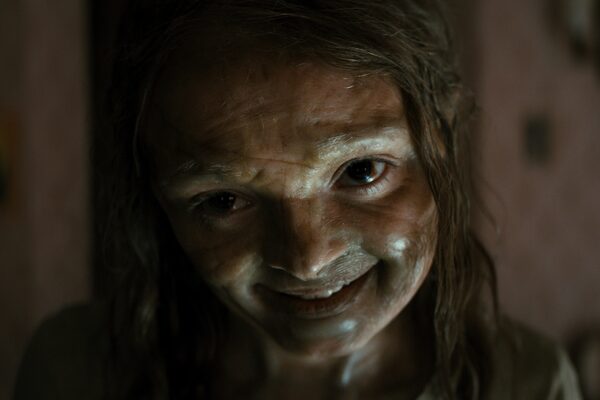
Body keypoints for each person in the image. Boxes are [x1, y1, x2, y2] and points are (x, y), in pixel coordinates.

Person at [13, 1, 582, 399]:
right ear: (156, 195)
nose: (307, 260)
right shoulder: (74, 374)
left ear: (445, 135)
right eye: (223, 201)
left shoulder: (529, 385)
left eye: (361, 171)